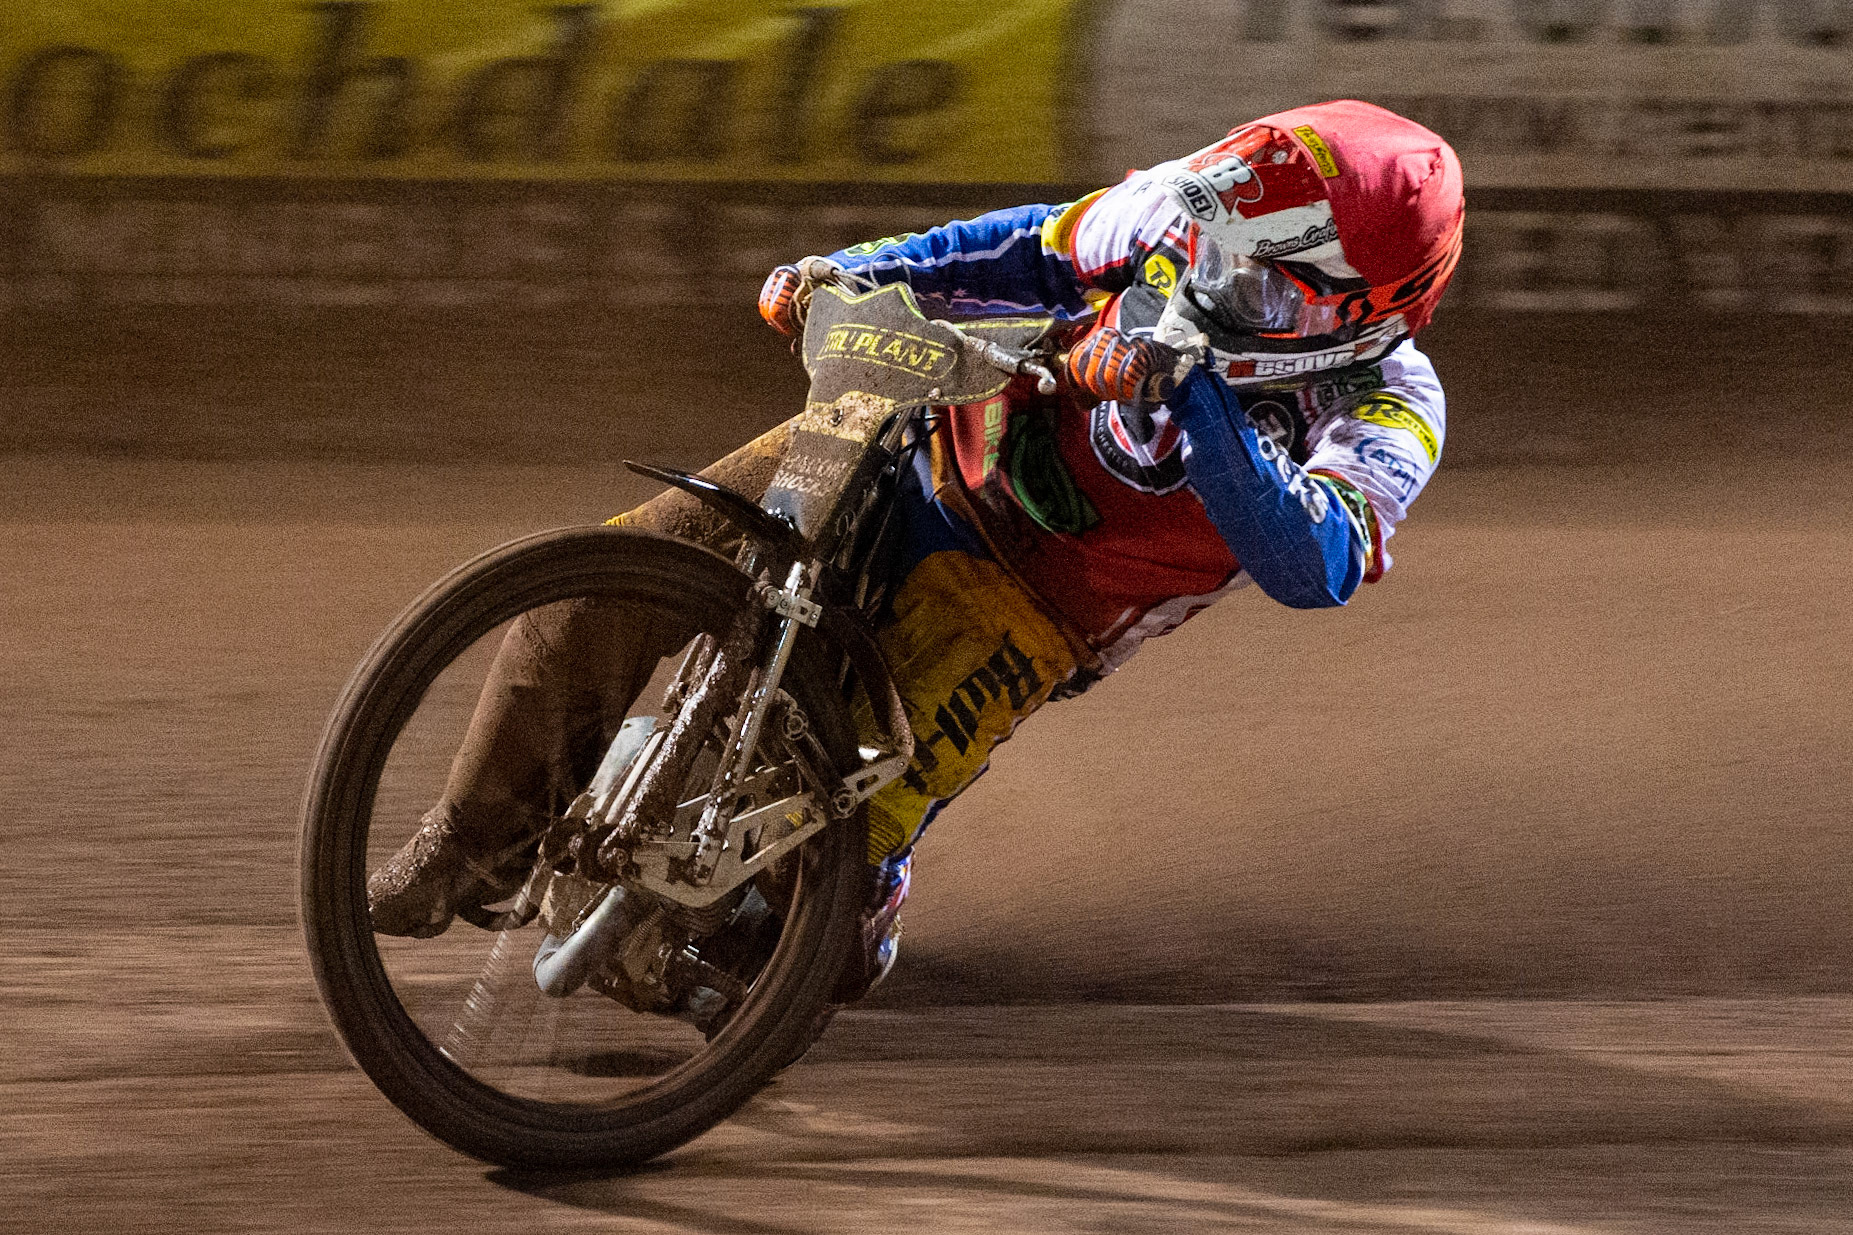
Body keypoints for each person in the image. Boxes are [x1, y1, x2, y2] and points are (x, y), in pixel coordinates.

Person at [368, 99, 1463, 1000]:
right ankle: (469, 841)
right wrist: (844, 271)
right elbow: (1024, 245)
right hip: (917, 428)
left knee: (792, 936)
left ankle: (849, 909)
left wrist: (1198, 395)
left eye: (1267, 284)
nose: (1218, 281)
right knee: (606, 579)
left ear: (1371, 311)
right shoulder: (1179, 212)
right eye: (1222, 249)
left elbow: (1310, 565)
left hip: (1027, 607)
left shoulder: (1388, 406)